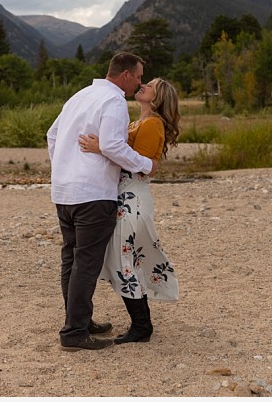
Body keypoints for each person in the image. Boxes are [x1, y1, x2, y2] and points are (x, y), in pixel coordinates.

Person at [46, 52, 158, 352]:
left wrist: (64, 168)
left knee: (71, 258)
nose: (139, 82)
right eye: (137, 76)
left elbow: (52, 134)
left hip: (64, 191)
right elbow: (111, 145)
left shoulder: (80, 96)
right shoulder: (114, 101)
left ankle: (80, 320)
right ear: (124, 75)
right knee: (85, 263)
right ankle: (74, 333)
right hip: (93, 194)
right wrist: (145, 164)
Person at [78, 77, 180, 344]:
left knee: (124, 260)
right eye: (144, 81)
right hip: (124, 196)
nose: (143, 85)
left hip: (132, 197)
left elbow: (145, 165)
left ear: (158, 98)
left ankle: (142, 327)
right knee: (124, 259)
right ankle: (141, 325)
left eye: (151, 85)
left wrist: (101, 148)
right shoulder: (138, 122)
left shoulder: (152, 124)